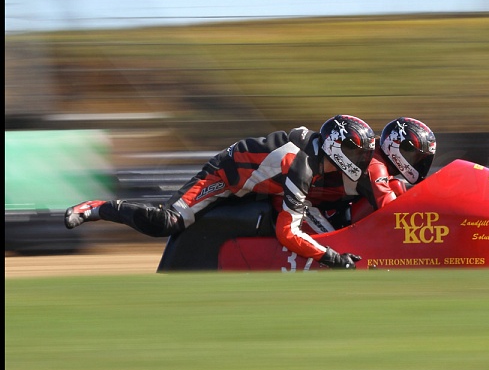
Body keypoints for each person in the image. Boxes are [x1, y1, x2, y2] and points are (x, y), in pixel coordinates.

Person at [64, 115, 376, 269]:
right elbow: (287, 233)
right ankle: (99, 207)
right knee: (169, 223)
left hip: (264, 186)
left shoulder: (316, 153)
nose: (362, 160)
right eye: (357, 152)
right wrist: (331, 256)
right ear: (336, 146)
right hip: (227, 177)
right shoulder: (301, 165)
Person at [305, 117, 437, 228]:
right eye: (416, 157)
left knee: (397, 186)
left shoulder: (378, 151)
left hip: (338, 205)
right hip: (310, 205)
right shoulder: (375, 165)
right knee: (333, 250)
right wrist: (433, 220)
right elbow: (394, 212)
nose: (418, 162)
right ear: (399, 149)